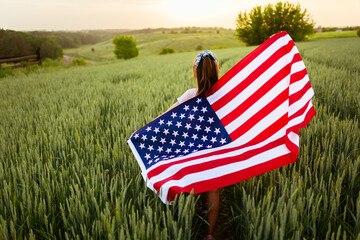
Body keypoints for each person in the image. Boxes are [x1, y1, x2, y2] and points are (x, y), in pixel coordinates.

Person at [166, 50, 220, 240]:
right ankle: (210, 235)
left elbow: (167, 116)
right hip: (216, 149)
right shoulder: (225, 96)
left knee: (190, 186)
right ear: (215, 70)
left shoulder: (190, 94)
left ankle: (189, 224)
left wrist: (142, 131)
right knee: (213, 188)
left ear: (196, 72)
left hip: (193, 150)